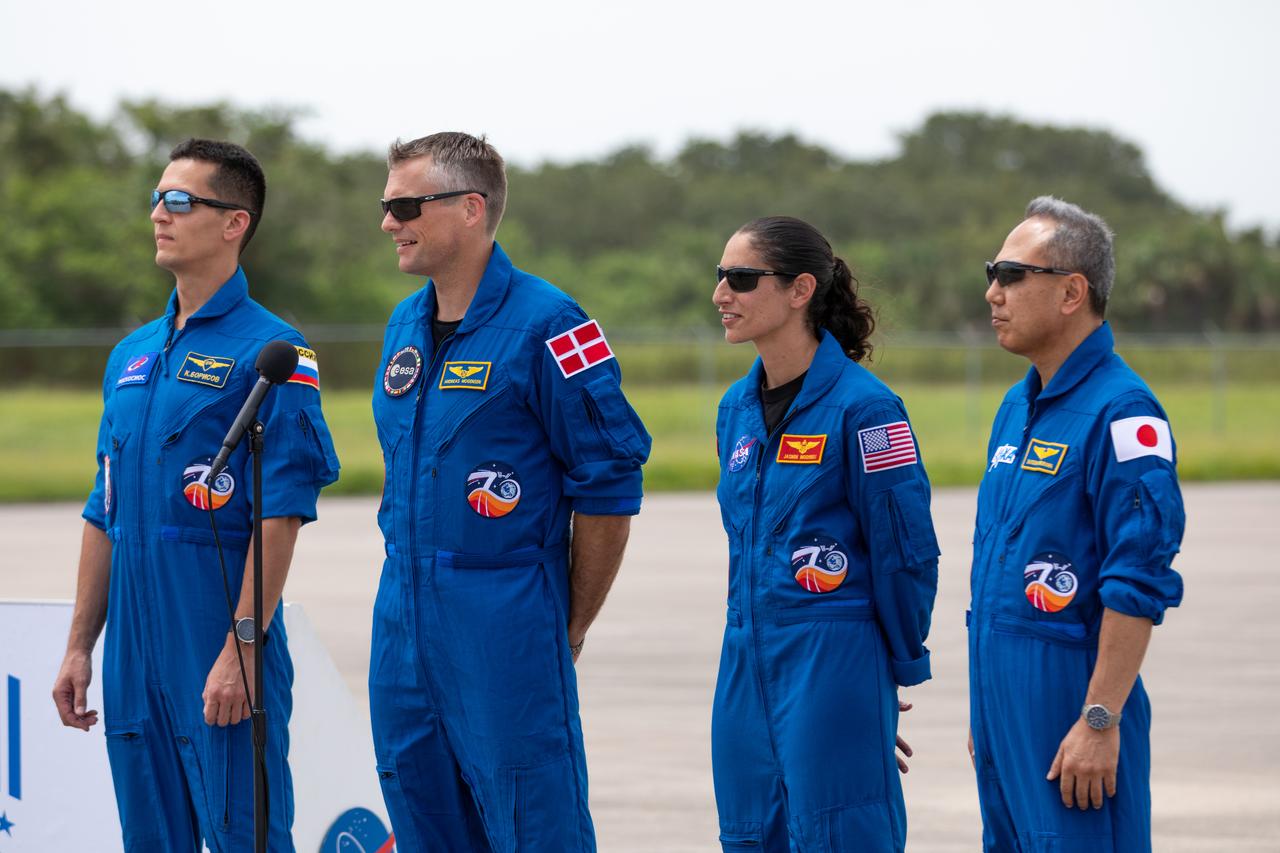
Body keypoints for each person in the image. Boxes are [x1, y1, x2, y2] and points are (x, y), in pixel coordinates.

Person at [51, 139, 340, 852]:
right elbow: (103, 508)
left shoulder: (275, 352)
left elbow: (282, 513)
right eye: (156, 198)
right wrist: (80, 645)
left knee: (247, 835)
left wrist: (241, 648)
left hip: (215, 635)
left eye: (179, 200)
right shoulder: (131, 355)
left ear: (234, 222)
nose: (159, 214)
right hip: (134, 654)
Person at [369, 131, 651, 852]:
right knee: (421, 812)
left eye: (405, 205)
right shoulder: (405, 323)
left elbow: (609, 484)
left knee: (534, 822)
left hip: (505, 621)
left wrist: (570, 622)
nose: (389, 222)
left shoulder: (554, 325)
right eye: (387, 205)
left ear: (469, 208)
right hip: (402, 624)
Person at [710, 216, 939, 852]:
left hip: (833, 658)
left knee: (842, 837)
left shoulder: (867, 409)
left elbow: (905, 554)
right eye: (720, 276)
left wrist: (880, 679)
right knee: (750, 836)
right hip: (744, 660)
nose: (721, 294)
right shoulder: (735, 409)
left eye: (742, 279)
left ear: (800, 289)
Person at [968, 196, 1185, 852]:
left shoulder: (1123, 413)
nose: (992, 293)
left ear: (1070, 292)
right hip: (1001, 695)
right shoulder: (1017, 404)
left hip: (1072, 694)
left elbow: (1137, 576)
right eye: (990, 273)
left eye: (1010, 275)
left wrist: (1099, 717)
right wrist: (990, 706)